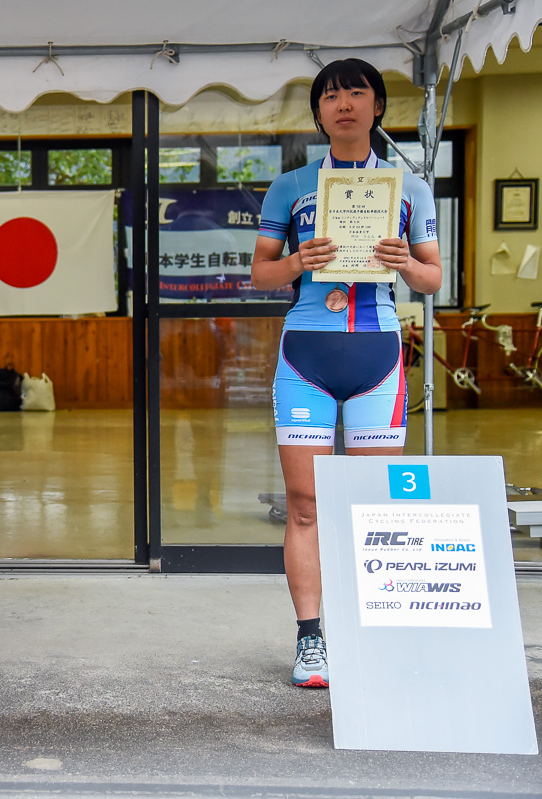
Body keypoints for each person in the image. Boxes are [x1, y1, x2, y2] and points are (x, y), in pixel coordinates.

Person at [250, 59, 441, 688]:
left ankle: (369, 632)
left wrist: (405, 264)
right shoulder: (290, 186)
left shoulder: (407, 187)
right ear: (319, 112)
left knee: (371, 507)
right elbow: (261, 275)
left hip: (377, 356)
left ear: (378, 106)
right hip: (307, 353)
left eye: (357, 92)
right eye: (331, 95)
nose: (345, 103)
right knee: (304, 507)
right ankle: (311, 640)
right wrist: (300, 259)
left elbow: (433, 277)